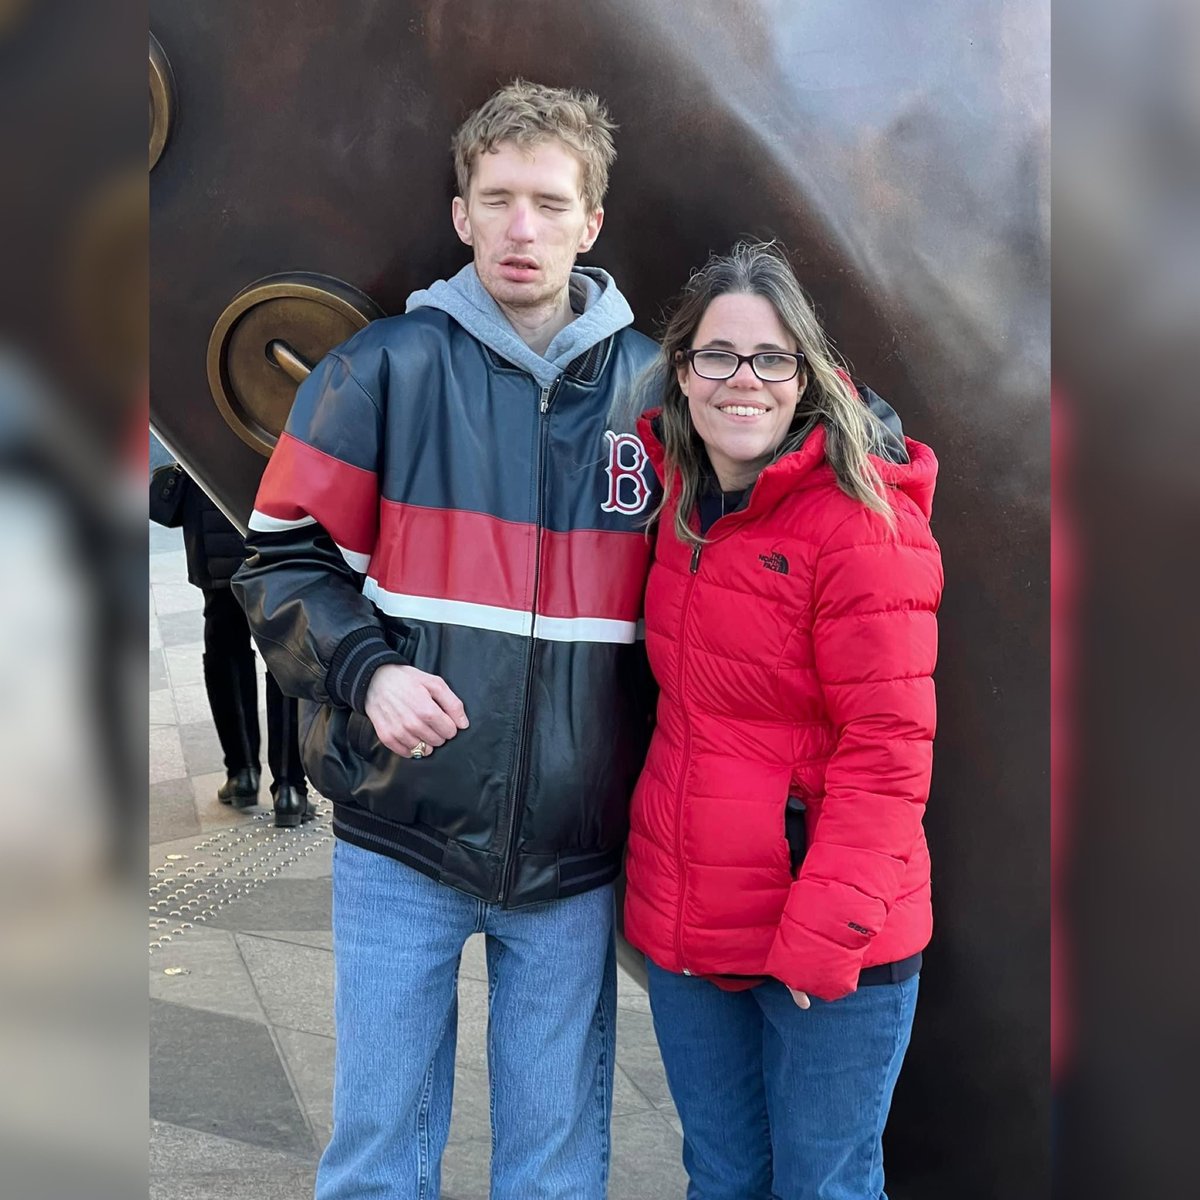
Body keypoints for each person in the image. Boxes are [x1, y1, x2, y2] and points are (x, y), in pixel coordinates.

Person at [232, 81, 659, 1199]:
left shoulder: (658, 394)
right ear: (461, 214)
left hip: (575, 857)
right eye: (499, 199)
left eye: (550, 204)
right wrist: (368, 674)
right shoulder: (380, 368)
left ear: (591, 222)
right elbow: (278, 557)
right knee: (377, 1163)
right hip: (398, 836)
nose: (525, 229)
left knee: (555, 1171)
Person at [622, 241, 942, 1200]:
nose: (742, 382)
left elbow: (889, 755)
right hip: (695, 919)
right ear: (683, 373)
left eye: (769, 359)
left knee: (824, 1190)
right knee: (720, 1179)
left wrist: (826, 928)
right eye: (716, 356)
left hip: (827, 930)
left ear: (806, 374)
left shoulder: (862, 523)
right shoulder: (675, 497)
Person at [176, 471, 310, 827]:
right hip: (278, 511)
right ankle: (289, 787)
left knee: (224, 638)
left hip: (211, 510)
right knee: (286, 646)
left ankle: (242, 773)